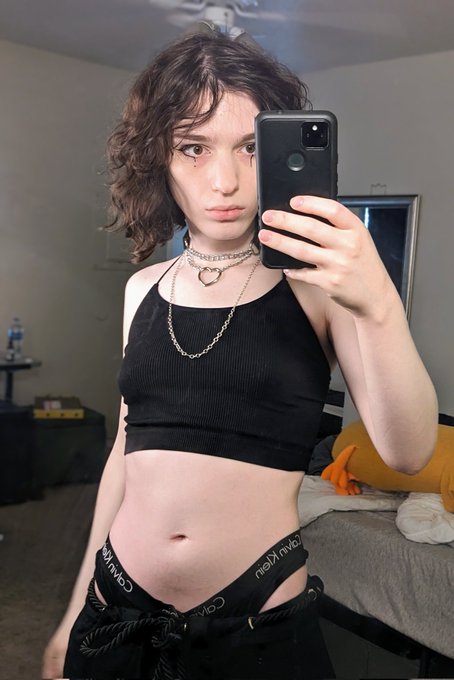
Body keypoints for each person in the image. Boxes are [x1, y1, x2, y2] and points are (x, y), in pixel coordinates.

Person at [42, 27, 438, 680]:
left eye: (250, 147)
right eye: (193, 148)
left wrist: (378, 304)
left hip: (257, 620)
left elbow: (409, 451)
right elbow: (126, 449)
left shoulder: (320, 288)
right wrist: (75, 610)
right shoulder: (143, 289)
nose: (223, 181)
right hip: (115, 607)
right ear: (159, 159)